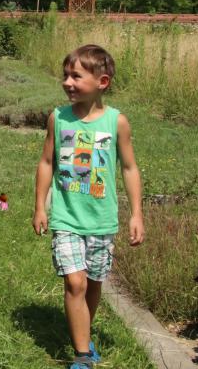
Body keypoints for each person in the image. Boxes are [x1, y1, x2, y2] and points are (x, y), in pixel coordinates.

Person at [32, 44, 144, 369]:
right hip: (66, 216)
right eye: (65, 75)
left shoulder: (116, 122)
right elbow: (46, 162)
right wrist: (40, 206)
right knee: (75, 282)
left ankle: (84, 333)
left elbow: (129, 168)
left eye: (76, 76)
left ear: (102, 82)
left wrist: (136, 213)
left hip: (102, 220)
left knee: (93, 283)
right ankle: (82, 356)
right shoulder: (58, 118)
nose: (68, 82)